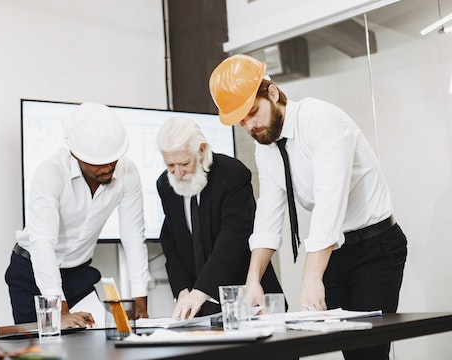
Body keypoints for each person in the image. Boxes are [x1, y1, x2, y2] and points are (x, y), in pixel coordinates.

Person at [209, 54, 407, 360]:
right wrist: (252, 282)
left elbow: (330, 203)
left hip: (375, 248)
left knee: (367, 355)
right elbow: (268, 217)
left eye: (252, 112)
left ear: (272, 93)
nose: (249, 126)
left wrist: (311, 277)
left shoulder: (321, 119)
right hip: (334, 253)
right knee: (348, 350)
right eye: (241, 121)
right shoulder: (267, 146)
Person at [5, 102, 151, 327]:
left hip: (78, 272)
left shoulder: (127, 173)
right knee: (41, 348)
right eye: (99, 162)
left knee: (94, 340)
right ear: (75, 154)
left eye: (114, 159)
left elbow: (133, 238)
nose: (108, 167)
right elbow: (43, 243)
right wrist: (60, 311)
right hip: (31, 271)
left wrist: (141, 305)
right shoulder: (51, 173)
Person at [156, 116, 284, 320]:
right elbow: (171, 241)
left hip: (246, 297)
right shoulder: (165, 184)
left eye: (184, 163)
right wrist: (182, 291)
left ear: (201, 149)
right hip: (198, 307)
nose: (178, 173)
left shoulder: (232, 174)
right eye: (170, 165)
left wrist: (202, 291)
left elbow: (232, 238)